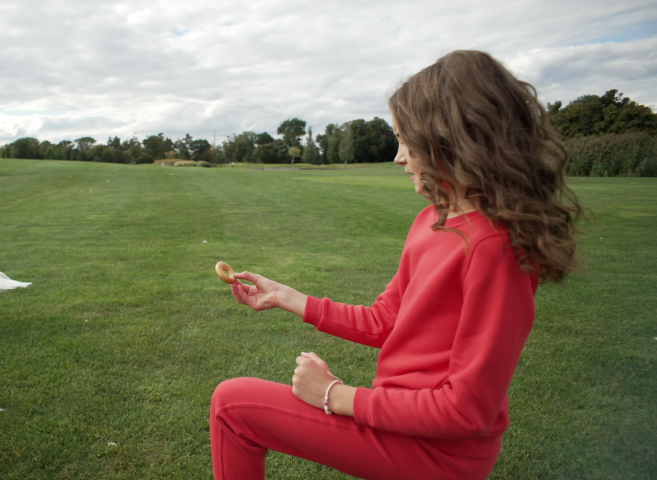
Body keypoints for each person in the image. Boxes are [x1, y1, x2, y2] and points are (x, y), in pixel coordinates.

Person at [209, 50, 583, 480]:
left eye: (406, 140)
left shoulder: (493, 247)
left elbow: (467, 411)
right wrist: (286, 297)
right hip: (398, 422)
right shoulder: (433, 219)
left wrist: (335, 395)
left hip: (437, 453)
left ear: (449, 140)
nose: (398, 157)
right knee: (234, 405)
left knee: (233, 405)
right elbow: (386, 320)